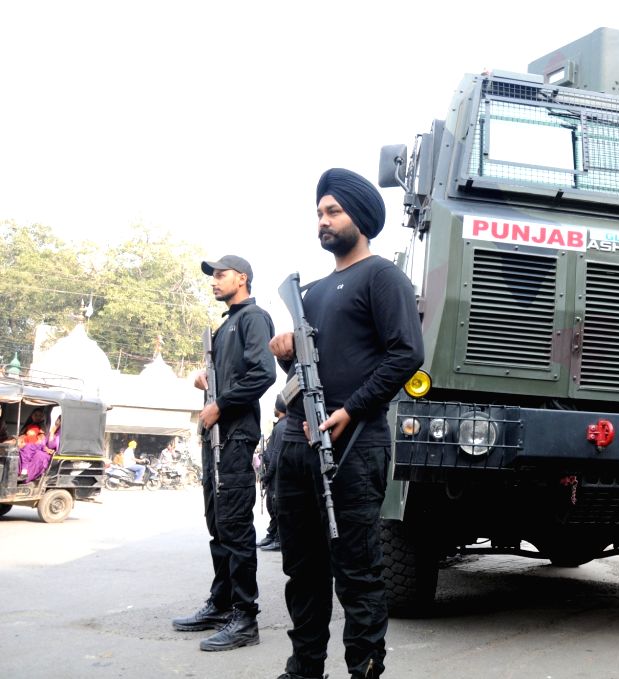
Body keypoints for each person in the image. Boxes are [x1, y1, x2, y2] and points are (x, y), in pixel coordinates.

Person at [268, 168, 424, 679]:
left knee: (357, 573)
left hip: (354, 445)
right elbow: (318, 367)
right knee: (302, 570)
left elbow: (406, 355)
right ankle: (305, 667)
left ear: (362, 218)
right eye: (319, 213)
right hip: (297, 443)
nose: (323, 221)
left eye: (333, 211)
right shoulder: (311, 291)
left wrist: (352, 409)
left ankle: (363, 670)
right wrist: (286, 353)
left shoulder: (382, 277)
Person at [172, 254, 277, 652]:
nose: (214, 281)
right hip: (216, 436)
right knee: (218, 523)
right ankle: (221, 603)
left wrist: (222, 404)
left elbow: (263, 373)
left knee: (234, 526)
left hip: (234, 436)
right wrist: (205, 379)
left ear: (243, 278)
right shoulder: (226, 324)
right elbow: (229, 376)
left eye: (220, 275)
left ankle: (245, 617)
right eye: (212, 276)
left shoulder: (253, 317)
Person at [257, 394, 287, 552]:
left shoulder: (281, 427)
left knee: (275, 507)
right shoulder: (280, 425)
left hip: (276, 476)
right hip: (273, 475)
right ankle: (272, 534)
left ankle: (278, 540)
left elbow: (276, 455)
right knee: (272, 507)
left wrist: (267, 476)